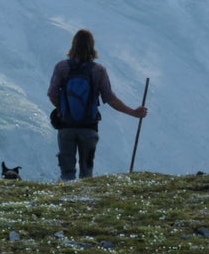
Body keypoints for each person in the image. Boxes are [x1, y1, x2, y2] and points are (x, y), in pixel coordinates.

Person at [47, 29, 148, 181]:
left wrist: (62, 109)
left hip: (66, 126)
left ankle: (65, 200)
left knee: (67, 172)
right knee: (87, 174)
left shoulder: (62, 67)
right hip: (89, 128)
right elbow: (111, 99)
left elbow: (52, 94)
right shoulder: (98, 71)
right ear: (92, 46)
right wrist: (133, 112)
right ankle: (85, 202)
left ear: (73, 45)